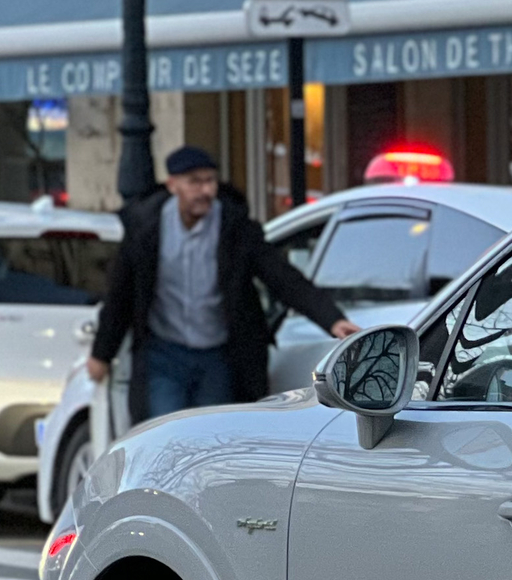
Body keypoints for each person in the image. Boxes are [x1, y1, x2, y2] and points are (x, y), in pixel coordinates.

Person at [88, 146, 358, 422]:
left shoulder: (235, 227)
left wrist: (332, 319)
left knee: (213, 435)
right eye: (194, 182)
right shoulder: (146, 228)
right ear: (172, 185)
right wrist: (101, 354)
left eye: (210, 181)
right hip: (164, 355)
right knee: (163, 433)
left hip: (217, 355)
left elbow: (282, 277)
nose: (205, 191)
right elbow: (120, 294)